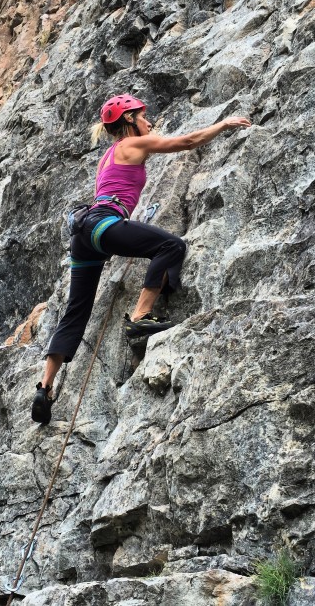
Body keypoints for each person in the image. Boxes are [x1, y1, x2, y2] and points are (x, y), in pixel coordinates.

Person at [32, 94, 251, 423]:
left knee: (76, 312)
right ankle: (140, 317)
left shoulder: (108, 156)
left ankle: (44, 388)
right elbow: (188, 141)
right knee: (171, 246)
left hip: (86, 234)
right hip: (104, 225)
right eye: (143, 116)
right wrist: (223, 124)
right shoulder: (134, 144)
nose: (149, 121)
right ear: (130, 121)